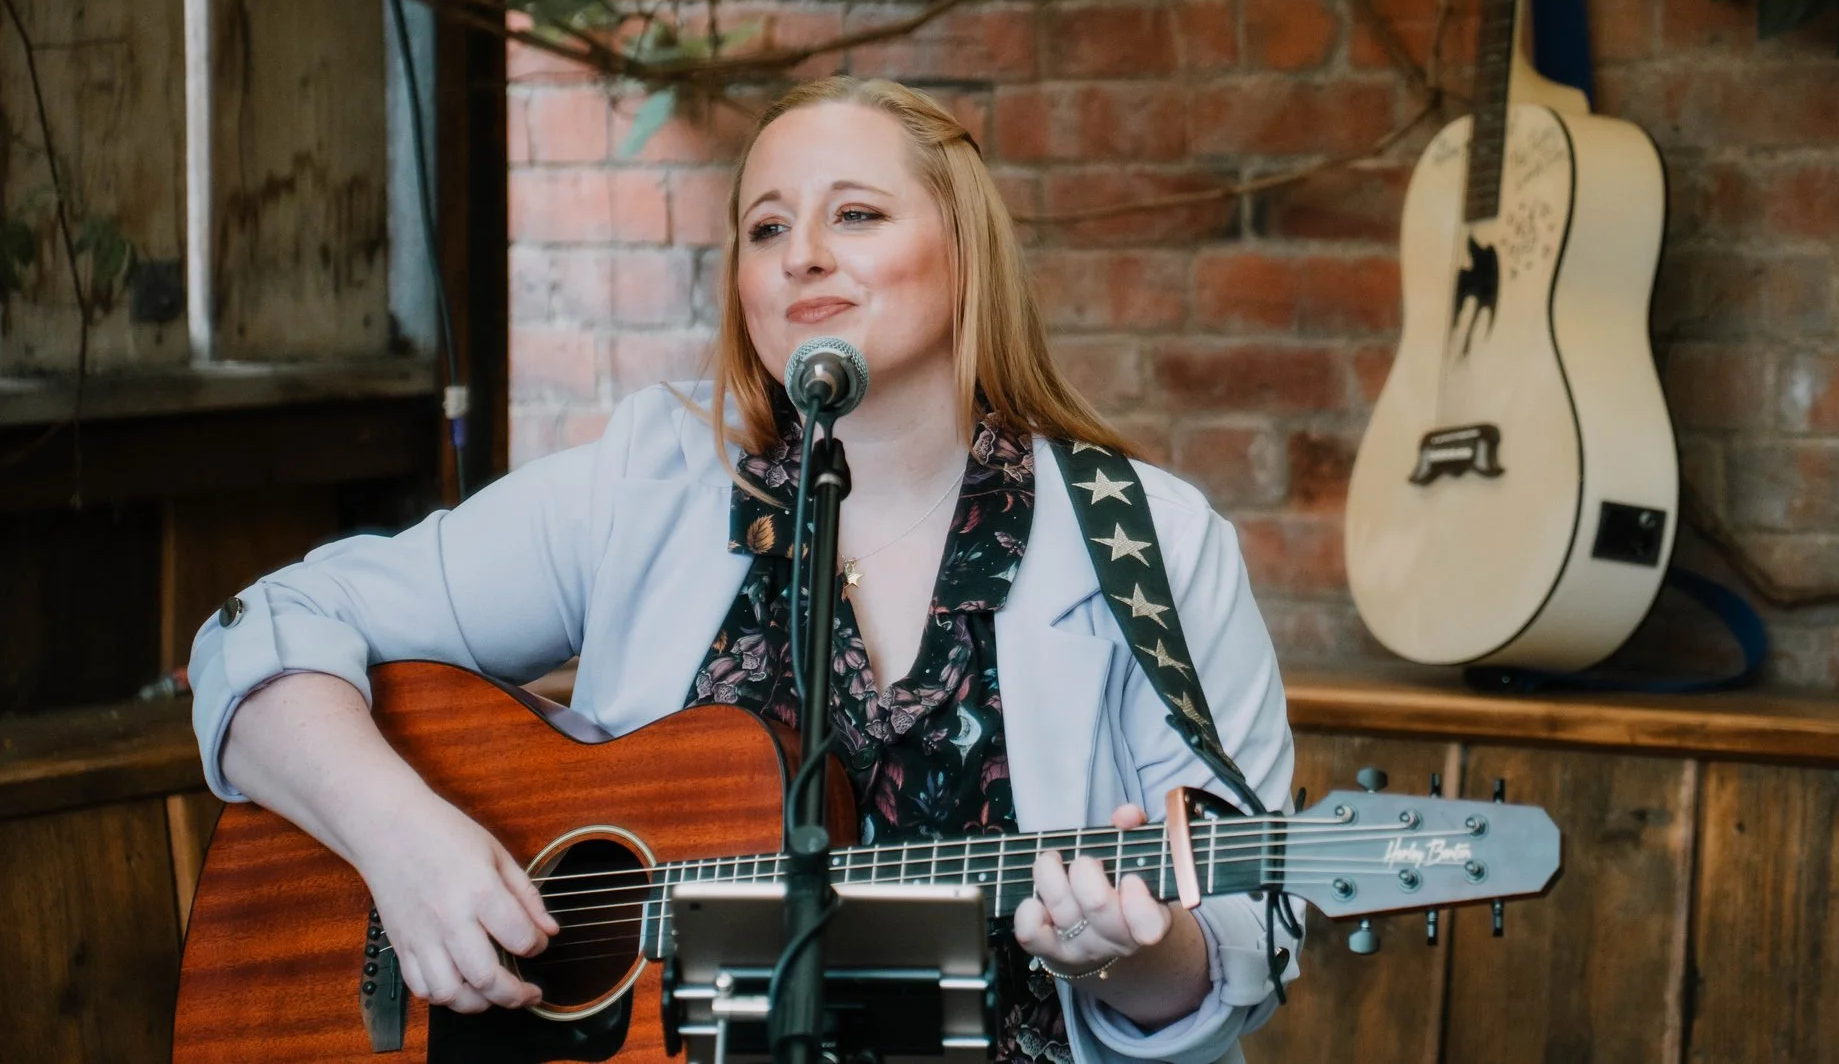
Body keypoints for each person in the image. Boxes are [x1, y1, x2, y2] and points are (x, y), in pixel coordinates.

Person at [187, 76, 1299, 1064]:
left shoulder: (1145, 537)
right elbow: (263, 627)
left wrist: (1123, 955)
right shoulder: (648, 482)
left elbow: (1240, 954)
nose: (801, 253)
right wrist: (404, 840)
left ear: (968, 257)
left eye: (853, 214)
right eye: (767, 227)